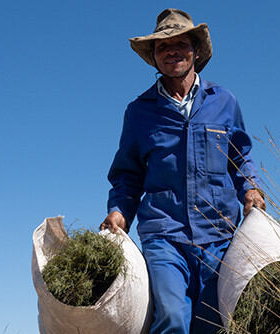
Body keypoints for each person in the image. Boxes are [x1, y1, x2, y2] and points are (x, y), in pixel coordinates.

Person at [99, 8, 265, 334]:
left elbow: (240, 157)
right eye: (163, 46)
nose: (171, 51)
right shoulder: (139, 113)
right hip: (165, 234)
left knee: (212, 325)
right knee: (173, 317)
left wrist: (251, 188)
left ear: (196, 51)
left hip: (219, 236)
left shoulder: (224, 102)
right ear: (154, 57)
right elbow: (127, 174)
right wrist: (118, 212)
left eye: (180, 44)